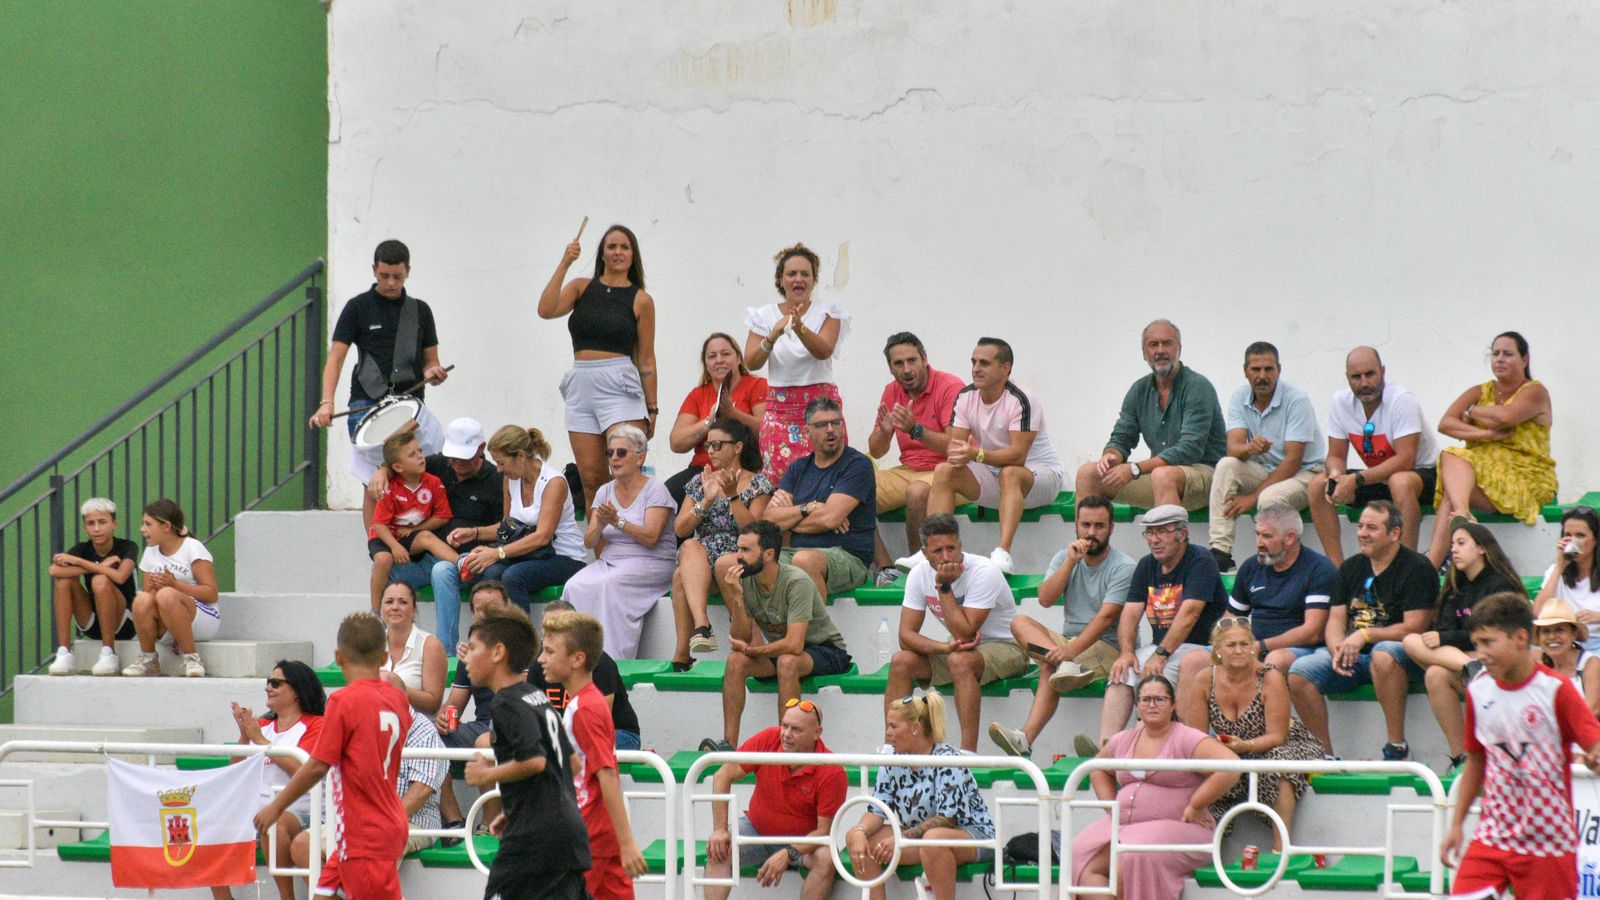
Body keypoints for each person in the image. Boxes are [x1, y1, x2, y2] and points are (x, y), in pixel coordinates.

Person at [1440, 592, 1600, 900]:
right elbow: (1476, 760)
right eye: (1476, 644)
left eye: (1488, 642)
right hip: (1493, 836)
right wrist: (1457, 825)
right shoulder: (1479, 690)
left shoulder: (1556, 689)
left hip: (1548, 841)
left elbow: (1594, 742)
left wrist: (1594, 758)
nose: (1481, 653)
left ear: (1520, 638)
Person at [252, 613, 412, 900]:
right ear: (385, 657)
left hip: (363, 832)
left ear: (338, 657)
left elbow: (317, 766)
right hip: (376, 825)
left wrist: (276, 806)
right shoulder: (397, 699)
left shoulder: (343, 701)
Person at [1287, 501, 1437, 759]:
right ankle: (1324, 756)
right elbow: (1335, 621)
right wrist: (1337, 648)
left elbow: (1415, 627)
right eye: (1360, 526)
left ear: (1394, 533)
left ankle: (1397, 747)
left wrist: (1366, 635)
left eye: (1372, 528)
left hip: (1402, 656)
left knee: (1383, 653)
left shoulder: (1418, 568)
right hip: (1355, 655)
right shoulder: (1351, 567)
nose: (1362, 533)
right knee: (1299, 673)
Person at [989, 495, 1136, 758]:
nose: (1091, 533)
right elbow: (1045, 599)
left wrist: (1068, 653)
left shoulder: (1124, 566)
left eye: (1099, 526)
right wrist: (1070, 562)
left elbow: (1105, 619)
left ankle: (1024, 738)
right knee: (1020, 623)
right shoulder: (1064, 558)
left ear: (1111, 528)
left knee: (1050, 664)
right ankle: (1064, 666)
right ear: (1076, 525)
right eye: (1086, 525)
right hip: (1068, 642)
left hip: (1107, 647)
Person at [1071, 675, 1240, 900]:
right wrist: (1112, 808)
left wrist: (1196, 804)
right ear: (1137, 706)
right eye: (1146, 699)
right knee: (1080, 859)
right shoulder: (1123, 740)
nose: (1152, 705)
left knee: (1130, 857)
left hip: (1180, 828)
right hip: (1125, 826)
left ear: (1173, 705)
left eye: (1159, 699)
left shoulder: (1186, 737)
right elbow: (1097, 768)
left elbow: (1231, 766)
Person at [461, 610, 591, 900]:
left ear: (498, 653)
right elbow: (571, 764)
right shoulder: (536, 695)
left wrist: (486, 773)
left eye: (473, 648)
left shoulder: (505, 703)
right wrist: (515, 810)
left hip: (534, 841)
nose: (466, 658)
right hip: (567, 833)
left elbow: (534, 761)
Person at [700, 521, 852, 752]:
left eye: (745, 550)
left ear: (769, 554)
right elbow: (739, 636)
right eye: (738, 548)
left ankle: (786, 748)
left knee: (787, 661)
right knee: (736, 662)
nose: (738, 556)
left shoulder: (796, 581)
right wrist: (736, 597)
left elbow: (794, 644)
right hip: (783, 650)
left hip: (827, 649)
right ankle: (728, 745)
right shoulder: (746, 580)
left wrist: (754, 650)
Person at [538, 224, 658, 509]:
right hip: (582, 384)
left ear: (633, 255)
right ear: (602, 254)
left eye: (624, 247)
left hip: (619, 384)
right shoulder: (581, 287)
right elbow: (546, 309)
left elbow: (646, 359)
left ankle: (635, 536)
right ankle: (600, 539)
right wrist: (565, 262)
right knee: (591, 480)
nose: (618, 252)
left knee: (625, 472)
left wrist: (652, 407)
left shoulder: (641, 300)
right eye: (611, 246)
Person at [885, 515, 1025, 754]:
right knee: (901, 661)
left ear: (961, 546)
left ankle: (967, 753)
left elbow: (965, 632)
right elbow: (905, 636)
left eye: (951, 548)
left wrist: (943, 586)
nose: (946, 557)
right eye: (937, 551)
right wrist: (943, 648)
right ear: (924, 553)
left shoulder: (984, 571)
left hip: (1008, 646)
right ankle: (891, 748)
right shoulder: (918, 574)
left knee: (960, 661)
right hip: (959, 648)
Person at [923, 337, 1063, 574]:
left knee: (1010, 473)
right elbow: (955, 448)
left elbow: (1018, 457)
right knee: (945, 471)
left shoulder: (1022, 398)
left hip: (1040, 478)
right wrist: (959, 454)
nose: (976, 369)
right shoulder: (966, 396)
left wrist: (975, 454)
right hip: (996, 477)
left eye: (984, 363)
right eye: (974, 362)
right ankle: (933, 548)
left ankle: (1003, 553)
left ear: (1005, 369)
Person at [1181, 618, 1322, 852]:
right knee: (1205, 769)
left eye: (1244, 644)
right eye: (1231, 645)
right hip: (1233, 750)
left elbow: (1277, 736)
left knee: (1277, 759)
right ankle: (1204, 848)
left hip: (1286, 743)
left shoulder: (1269, 676)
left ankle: (1281, 848)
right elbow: (1196, 737)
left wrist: (1245, 746)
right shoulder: (1205, 679)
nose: (1239, 650)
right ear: (1217, 650)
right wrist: (1223, 751)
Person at [1099, 504, 1228, 751]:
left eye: (1162, 532)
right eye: (1149, 532)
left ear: (1182, 534)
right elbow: (1130, 613)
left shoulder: (1201, 561)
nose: (1154, 539)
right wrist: (1126, 652)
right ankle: (1106, 748)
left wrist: (1161, 654)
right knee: (1122, 672)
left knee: (1159, 675)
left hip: (1202, 647)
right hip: (1162, 647)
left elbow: (1190, 613)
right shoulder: (1147, 565)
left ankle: (1149, 749)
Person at [844, 691, 995, 900]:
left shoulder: (947, 759)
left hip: (972, 835)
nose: (888, 733)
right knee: (859, 838)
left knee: (932, 841)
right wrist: (859, 831)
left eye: (893, 726)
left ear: (915, 728)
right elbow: (877, 810)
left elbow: (947, 819)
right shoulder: (892, 758)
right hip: (921, 836)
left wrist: (901, 838)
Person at [538, 611, 646, 899]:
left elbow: (606, 772)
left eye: (550, 652)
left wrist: (627, 842)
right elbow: (576, 767)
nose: (541, 659)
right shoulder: (583, 704)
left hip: (589, 837)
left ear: (577, 659)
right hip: (598, 836)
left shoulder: (585, 709)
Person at [1399, 521, 1523, 769]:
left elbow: (1493, 635)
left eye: (1461, 543)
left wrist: (1447, 640)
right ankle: (1461, 758)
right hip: (1465, 660)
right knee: (1417, 649)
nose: (1453, 549)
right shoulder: (1455, 586)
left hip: (1497, 661)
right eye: (1452, 544)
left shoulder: (1500, 584)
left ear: (1482, 548)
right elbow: (1444, 629)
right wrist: (1451, 642)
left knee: (1439, 664)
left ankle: (1475, 667)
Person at [1428, 331, 1557, 566]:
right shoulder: (1480, 391)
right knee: (1452, 468)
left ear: (1524, 360)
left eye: (1508, 354)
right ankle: (1462, 518)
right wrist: (1485, 434)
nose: (1500, 359)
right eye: (1495, 353)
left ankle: (1431, 564)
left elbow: (1506, 417)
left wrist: (1472, 411)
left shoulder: (1535, 391)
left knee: (1452, 489)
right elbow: (1445, 423)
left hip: (1524, 478)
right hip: (1485, 477)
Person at [442, 425, 586, 635]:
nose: (498, 469)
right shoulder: (510, 479)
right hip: (532, 555)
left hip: (563, 556)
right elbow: (508, 528)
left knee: (513, 576)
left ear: (520, 456)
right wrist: (474, 533)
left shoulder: (554, 483)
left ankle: (522, 642)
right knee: (491, 572)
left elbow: (542, 537)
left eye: (501, 463)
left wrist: (496, 553)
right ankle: (495, 636)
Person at [367, 417, 504, 632]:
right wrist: (382, 470)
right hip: (426, 556)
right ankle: (388, 632)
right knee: (383, 567)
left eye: (464, 457)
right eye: (453, 456)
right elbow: (400, 462)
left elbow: (505, 528)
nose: (457, 463)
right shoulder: (440, 464)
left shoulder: (496, 479)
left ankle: (445, 646)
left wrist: (476, 533)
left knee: (442, 571)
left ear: (481, 449)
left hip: (470, 557)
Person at [1074, 319, 1227, 513]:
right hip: (1159, 476)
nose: (1160, 350)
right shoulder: (1139, 390)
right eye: (1153, 345)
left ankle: (1169, 534)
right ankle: (1088, 534)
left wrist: (1135, 468)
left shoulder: (1198, 386)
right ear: (1144, 353)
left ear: (1179, 349)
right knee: (1088, 473)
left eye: (1167, 343)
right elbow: (1122, 437)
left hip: (1206, 476)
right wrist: (1112, 456)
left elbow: (1189, 449)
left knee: (1163, 476)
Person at [1307, 346, 1440, 564]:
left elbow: (1406, 459)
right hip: (1377, 478)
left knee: (1400, 482)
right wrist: (1336, 475)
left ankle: (1406, 569)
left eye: (1370, 374)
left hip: (1421, 474)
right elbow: (1335, 455)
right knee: (1318, 486)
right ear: (1347, 378)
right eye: (1356, 377)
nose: (1364, 383)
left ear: (1383, 372)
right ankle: (1336, 569)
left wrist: (1356, 479)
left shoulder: (1402, 400)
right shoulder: (1340, 402)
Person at [705, 698, 845, 900]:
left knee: (826, 858)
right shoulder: (769, 738)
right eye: (784, 726)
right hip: (756, 829)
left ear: (817, 733)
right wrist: (719, 830)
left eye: (796, 729)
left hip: (804, 844)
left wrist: (789, 853)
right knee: (718, 848)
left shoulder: (832, 771)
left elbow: (823, 833)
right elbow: (722, 776)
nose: (786, 734)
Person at [308, 239, 449, 438]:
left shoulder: (421, 310)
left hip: (410, 405)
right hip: (366, 404)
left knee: (412, 459)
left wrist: (432, 372)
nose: (391, 283)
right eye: (384, 275)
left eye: (397, 277)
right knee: (372, 460)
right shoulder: (357, 307)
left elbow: (431, 361)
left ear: (408, 271)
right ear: (374, 270)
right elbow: (335, 359)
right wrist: (327, 403)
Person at [210, 661, 325, 900]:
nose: (268, 688)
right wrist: (245, 737)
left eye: (275, 683)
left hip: (303, 809)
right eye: (267, 682)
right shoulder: (261, 726)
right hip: (259, 810)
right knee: (211, 825)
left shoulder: (316, 725)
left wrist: (261, 741)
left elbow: (303, 771)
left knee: (274, 821)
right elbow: (235, 773)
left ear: (296, 690)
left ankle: (286, 898)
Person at [1207, 341, 1324, 572]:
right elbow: (1233, 449)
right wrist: (1249, 448)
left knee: (1269, 499)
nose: (1262, 376)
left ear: (1279, 370)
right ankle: (1220, 552)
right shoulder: (1239, 396)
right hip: (1267, 470)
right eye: (1256, 369)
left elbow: (1293, 461)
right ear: (1245, 371)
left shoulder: (1297, 399)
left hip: (1307, 472)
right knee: (1226, 465)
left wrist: (1251, 499)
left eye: (1268, 369)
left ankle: (1274, 562)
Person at [563, 424, 677, 659]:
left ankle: (613, 659)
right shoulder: (604, 491)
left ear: (640, 457)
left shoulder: (656, 490)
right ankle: (575, 654)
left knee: (609, 584)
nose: (614, 458)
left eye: (621, 452)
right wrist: (599, 525)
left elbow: (651, 537)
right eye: (610, 453)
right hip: (611, 560)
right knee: (574, 586)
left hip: (651, 561)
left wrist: (617, 521)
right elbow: (589, 542)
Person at [668, 419, 773, 666]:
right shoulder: (700, 481)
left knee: (683, 575)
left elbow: (754, 532)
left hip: (740, 554)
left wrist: (733, 496)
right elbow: (681, 528)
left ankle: (687, 652)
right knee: (689, 546)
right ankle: (701, 626)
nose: (711, 451)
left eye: (717, 445)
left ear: (737, 447)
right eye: (708, 446)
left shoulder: (758, 483)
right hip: (703, 559)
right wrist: (706, 501)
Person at [743, 243, 849, 484]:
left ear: (813, 280)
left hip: (821, 409)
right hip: (780, 412)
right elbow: (751, 361)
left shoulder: (828, 313)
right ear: (781, 280)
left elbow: (824, 351)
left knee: (827, 476)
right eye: (791, 274)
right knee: (780, 482)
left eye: (805, 274)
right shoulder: (764, 315)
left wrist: (799, 326)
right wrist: (772, 336)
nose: (798, 279)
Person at [867, 332, 964, 582]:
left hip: (951, 471)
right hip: (909, 469)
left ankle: (919, 573)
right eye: (898, 363)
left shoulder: (949, 387)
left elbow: (955, 446)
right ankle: (886, 567)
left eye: (912, 360)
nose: (907, 369)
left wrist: (915, 430)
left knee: (917, 491)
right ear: (890, 368)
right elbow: (877, 451)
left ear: (925, 359)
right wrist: (884, 432)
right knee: (854, 488)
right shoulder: (892, 391)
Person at [762, 396, 876, 601]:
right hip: (799, 551)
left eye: (836, 423)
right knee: (756, 561)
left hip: (847, 556)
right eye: (822, 425)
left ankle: (818, 624)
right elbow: (770, 521)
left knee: (804, 561)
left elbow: (829, 519)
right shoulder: (798, 468)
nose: (830, 430)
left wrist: (790, 522)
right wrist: (808, 508)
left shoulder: (857, 465)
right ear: (807, 432)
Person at [1214, 505, 1338, 674]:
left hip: (1301, 649)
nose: (1259, 543)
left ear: (1289, 538)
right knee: (1195, 658)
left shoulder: (1319, 569)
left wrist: (1262, 645)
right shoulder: (1251, 567)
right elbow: (1232, 617)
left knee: (1274, 660)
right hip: (1253, 646)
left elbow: (1313, 632)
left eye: (1267, 536)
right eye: (1257, 534)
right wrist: (1228, 642)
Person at [665, 332, 768, 505]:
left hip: (745, 469)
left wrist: (733, 414)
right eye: (712, 356)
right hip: (703, 470)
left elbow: (767, 431)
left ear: (739, 358)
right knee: (665, 494)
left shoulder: (757, 385)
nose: (719, 360)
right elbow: (676, 443)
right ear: (705, 364)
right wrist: (709, 421)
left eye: (725, 354)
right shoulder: (698, 394)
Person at [122, 500, 220, 678]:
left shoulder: (192, 547)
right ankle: (149, 659)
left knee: (167, 594)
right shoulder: (150, 552)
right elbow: (148, 600)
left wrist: (174, 585)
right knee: (142, 599)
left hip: (202, 618)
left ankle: (192, 658)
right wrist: (154, 588)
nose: (142, 529)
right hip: (167, 619)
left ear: (166, 526)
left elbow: (211, 594)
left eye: (148, 524)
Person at [366, 429, 459, 611]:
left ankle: (462, 563)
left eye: (420, 451)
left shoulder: (434, 482)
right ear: (398, 467)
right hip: (384, 537)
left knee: (426, 537)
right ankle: (375, 611)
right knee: (383, 559)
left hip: (408, 535)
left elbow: (443, 516)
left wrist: (415, 530)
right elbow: (379, 524)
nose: (420, 457)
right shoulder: (390, 487)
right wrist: (395, 547)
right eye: (412, 455)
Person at [47, 497, 138, 676]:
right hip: (92, 622)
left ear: (114, 524)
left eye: (102, 522)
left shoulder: (127, 547)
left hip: (124, 623)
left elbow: (120, 577)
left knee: (100, 580)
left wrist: (79, 562)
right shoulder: (83, 548)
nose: (96, 528)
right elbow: (53, 570)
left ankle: (109, 653)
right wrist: (101, 565)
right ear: (85, 527)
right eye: (91, 523)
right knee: (64, 581)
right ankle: (64, 653)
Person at [1535, 507, 1600, 655]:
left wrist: (1597, 617)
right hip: (1566, 643)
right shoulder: (1556, 571)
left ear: (1595, 539)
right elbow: (1539, 612)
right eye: (1568, 535)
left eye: (1580, 535)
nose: (1573, 541)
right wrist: (1560, 566)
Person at [376, 581, 448, 715]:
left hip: (417, 725)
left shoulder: (430, 645)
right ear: (380, 609)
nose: (395, 607)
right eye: (389, 602)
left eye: (403, 602)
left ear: (414, 610)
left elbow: (433, 704)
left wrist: (398, 687)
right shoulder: (372, 643)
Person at [1533, 598, 1600, 715]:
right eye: (1546, 631)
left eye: (1559, 630)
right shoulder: (1538, 668)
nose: (1552, 636)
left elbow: (1593, 709)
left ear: (1574, 634)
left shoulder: (1590, 664)